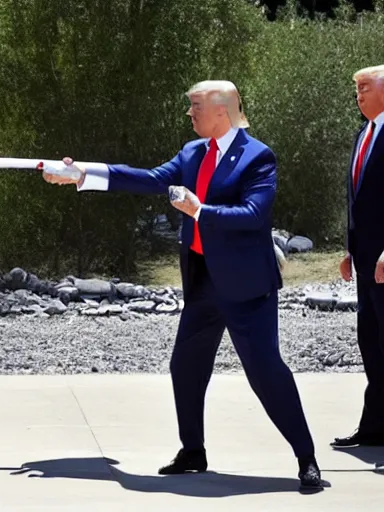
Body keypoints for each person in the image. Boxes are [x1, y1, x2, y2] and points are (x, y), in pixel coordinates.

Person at [42, 80, 322, 490]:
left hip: (245, 286)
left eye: (195, 107)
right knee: (185, 367)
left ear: (221, 111)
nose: (189, 114)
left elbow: (253, 214)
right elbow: (149, 179)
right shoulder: (192, 152)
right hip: (203, 281)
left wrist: (200, 210)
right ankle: (193, 451)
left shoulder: (257, 157)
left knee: (265, 372)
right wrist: (85, 173)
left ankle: (306, 457)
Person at [334, 65, 384, 449]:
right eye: (356, 89)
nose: (358, 94)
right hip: (366, 262)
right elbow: (359, 201)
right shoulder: (362, 134)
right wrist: (350, 248)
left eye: (364, 87)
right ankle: (373, 428)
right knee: (371, 342)